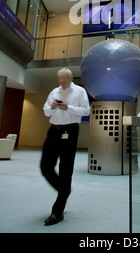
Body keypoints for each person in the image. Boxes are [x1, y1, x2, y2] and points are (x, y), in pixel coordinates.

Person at [40, 68, 90, 226]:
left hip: (71, 131)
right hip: (54, 130)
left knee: (65, 169)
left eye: (65, 80)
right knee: (45, 166)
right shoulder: (54, 92)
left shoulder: (79, 91)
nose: (62, 83)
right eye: (60, 80)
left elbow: (86, 110)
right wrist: (53, 107)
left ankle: (58, 211)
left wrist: (68, 107)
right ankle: (65, 190)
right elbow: (46, 112)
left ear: (70, 78)